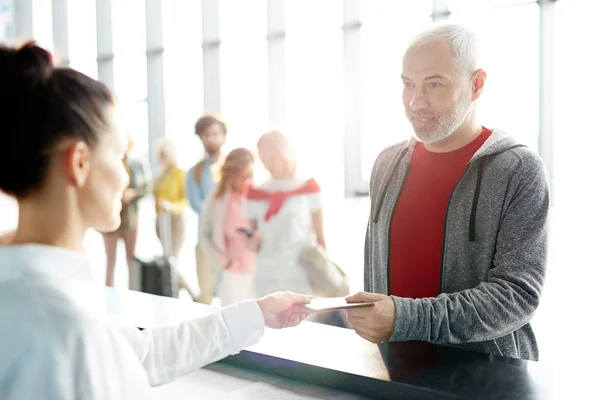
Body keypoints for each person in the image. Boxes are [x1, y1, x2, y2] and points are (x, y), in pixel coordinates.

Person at [0, 42, 312, 399]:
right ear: (80, 162)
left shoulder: (36, 292)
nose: (125, 176)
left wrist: (257, 313)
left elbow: (139, 354)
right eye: (119, 155)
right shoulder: (64, 328)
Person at [346, 24, 549, 361]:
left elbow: (517, 295)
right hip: (390, 372)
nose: (415, 102)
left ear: (476, 85)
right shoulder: (387, 163)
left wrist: (405, 319)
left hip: (484, 378)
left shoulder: (517, 168)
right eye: (408, 84)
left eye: (434, 84)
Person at [246, 131, 326, 298]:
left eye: (272, 158)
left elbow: (320, 237)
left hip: (299, 272)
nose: (268, 165)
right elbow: (252, 241)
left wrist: (324, 270)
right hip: (266, 274)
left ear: (285, 153)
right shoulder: (256, 193)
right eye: (263, 159)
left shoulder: (308, 189)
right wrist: (251, 241)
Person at [199, 148, 256, 306]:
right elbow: (204, 236)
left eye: (249, 176)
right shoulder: (216, 200)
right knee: (234, 318)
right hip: (232, 270)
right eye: (241, 176)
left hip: (256, 270)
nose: (246, 182)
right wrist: (224, 262)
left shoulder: (258, 198)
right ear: (230, 174)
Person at [186, 113, 227, 304]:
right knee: (205, 298)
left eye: (216, 133)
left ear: (224, 135)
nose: (212, 138)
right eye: (207, 134)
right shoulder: (195, 171)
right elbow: (197, 205)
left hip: (233, 245)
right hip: (206, 243)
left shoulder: (234, 167)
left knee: (234, 297)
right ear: (201, 137)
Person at [102, 137, 151, 289]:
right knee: (111, 260)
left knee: (131, 258)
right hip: (110, 215)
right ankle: (108, 293)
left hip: (130, 216)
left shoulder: (136, 163)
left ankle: (133, 290)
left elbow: (146, 188)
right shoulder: (106, 163)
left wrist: (132, 194)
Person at [153, 138, 195, 298]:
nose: (161, 158)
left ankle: (190, 292)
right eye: (159, 154)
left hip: (175, 221)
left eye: (164, 154)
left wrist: (170, 205)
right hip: (160, 220)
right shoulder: (160, 174)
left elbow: (186, 200)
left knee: (171, 262)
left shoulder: (180, 174)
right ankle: (174, 293)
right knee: (168, 261)